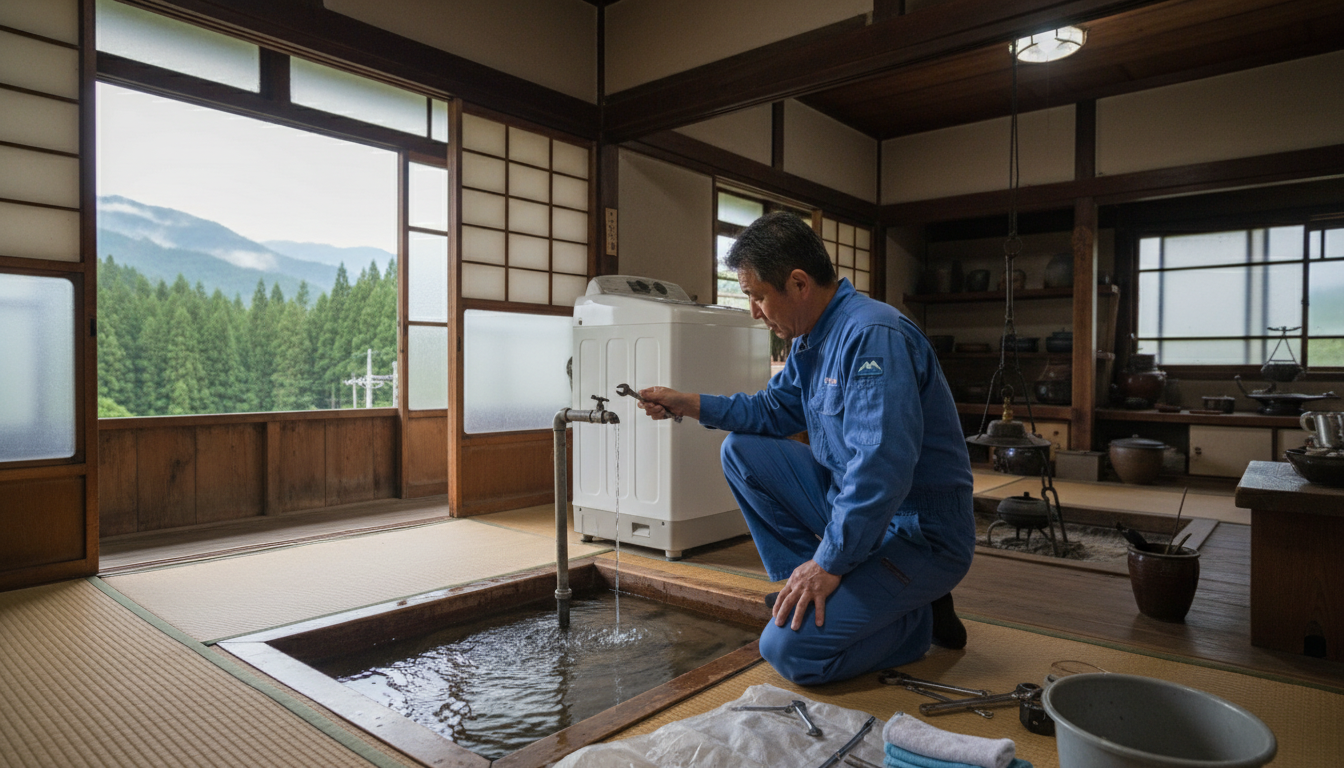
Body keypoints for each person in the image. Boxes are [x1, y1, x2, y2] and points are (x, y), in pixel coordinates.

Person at [636, 212, 975, 686]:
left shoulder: (873, 336)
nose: (754, 310)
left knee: (788, 652)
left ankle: (915, 622)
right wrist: (686, 404)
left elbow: (880, 470)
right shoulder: (810, 338)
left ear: (797, 283)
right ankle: (826, 587)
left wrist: (830, 562)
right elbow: (772, 411)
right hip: (861, 514)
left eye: (756, 296)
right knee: (742, 452)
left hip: (920, 531)